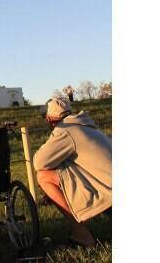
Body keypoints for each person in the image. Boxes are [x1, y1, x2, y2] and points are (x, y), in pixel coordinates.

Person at [34, 97, 111, 247]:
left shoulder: (65, 131)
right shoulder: (85, 125)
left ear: (50, 119)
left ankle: (82, 235)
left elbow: (39, 162)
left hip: (109, 197)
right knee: (61, 168)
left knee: (44, 177)